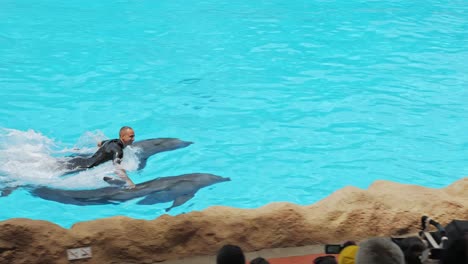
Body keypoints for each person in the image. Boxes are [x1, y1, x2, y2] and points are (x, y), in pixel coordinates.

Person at [65, 126, 136, 188]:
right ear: (123, 136)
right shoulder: (118, 151)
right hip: (82, 167)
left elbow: (99, 144)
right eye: (131, 136)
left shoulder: (111, 141)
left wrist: (101, 154)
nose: (133, 139)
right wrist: (130, 183)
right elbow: (118, 170)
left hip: (78, 160)